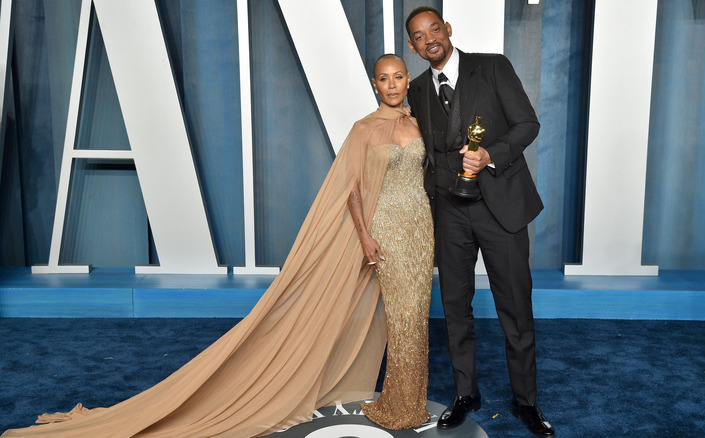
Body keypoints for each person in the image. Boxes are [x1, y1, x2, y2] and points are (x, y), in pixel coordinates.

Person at [3, 55, 433, 437]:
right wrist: (363, 235)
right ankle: (399, 405)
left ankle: (406, 402)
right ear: (374, 83)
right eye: (384, 78)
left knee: (414, 316)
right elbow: (352, 189)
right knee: (400, 318)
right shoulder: (364, 129)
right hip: (385, 232)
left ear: (407, 80)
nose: (392, 84)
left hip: (421, 229)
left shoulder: (418, 123)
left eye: (398, 77)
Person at [405, 6, 555, 438]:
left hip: (500, 205)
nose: (429, 38)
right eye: (418, 35)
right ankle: (465, 393)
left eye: (435, 29)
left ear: (448, 30)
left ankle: (526, 402)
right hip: (449, 211)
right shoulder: (416, 89)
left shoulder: (491, 68)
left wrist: (492, 155)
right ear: (413, 46)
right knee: (455, 307)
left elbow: (528, 123)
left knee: (515, 307)